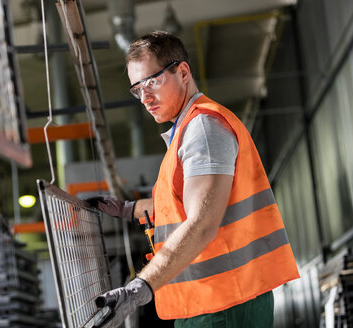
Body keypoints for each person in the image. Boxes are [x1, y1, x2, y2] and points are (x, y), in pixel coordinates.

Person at [87, 31, 300, 328]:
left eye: (153, 81)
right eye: (137, 89)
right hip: (210, 301)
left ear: (182, 71)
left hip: (224, 305)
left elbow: (201, 223)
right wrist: (127, 209)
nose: (145, 97)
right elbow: (183, 207)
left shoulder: (203, 128)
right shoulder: (187, 130)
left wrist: (139, 289)